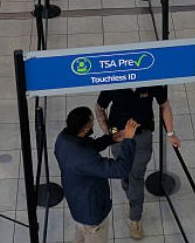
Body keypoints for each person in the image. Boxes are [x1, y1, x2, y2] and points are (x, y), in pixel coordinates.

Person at [96, 87, 181, 239]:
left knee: (136, 177)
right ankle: (131, 199)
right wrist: (109, 133)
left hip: (142, 138)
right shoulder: (116, 79)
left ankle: (135, 218)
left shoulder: (151, 79)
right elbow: (100, 107)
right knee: (123, 172)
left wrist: (170, 133)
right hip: (119, 139)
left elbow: (164, 104)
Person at [55, 107, 139, 243]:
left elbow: (86, 146)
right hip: (91, 213)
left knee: (80, 235)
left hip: (76, 203)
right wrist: (129, 140)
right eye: (92, 122)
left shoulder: (63, 139)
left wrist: (111, 138)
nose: (94, 124)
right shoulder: (84, 159)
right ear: (85, 129)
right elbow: (120, 170)